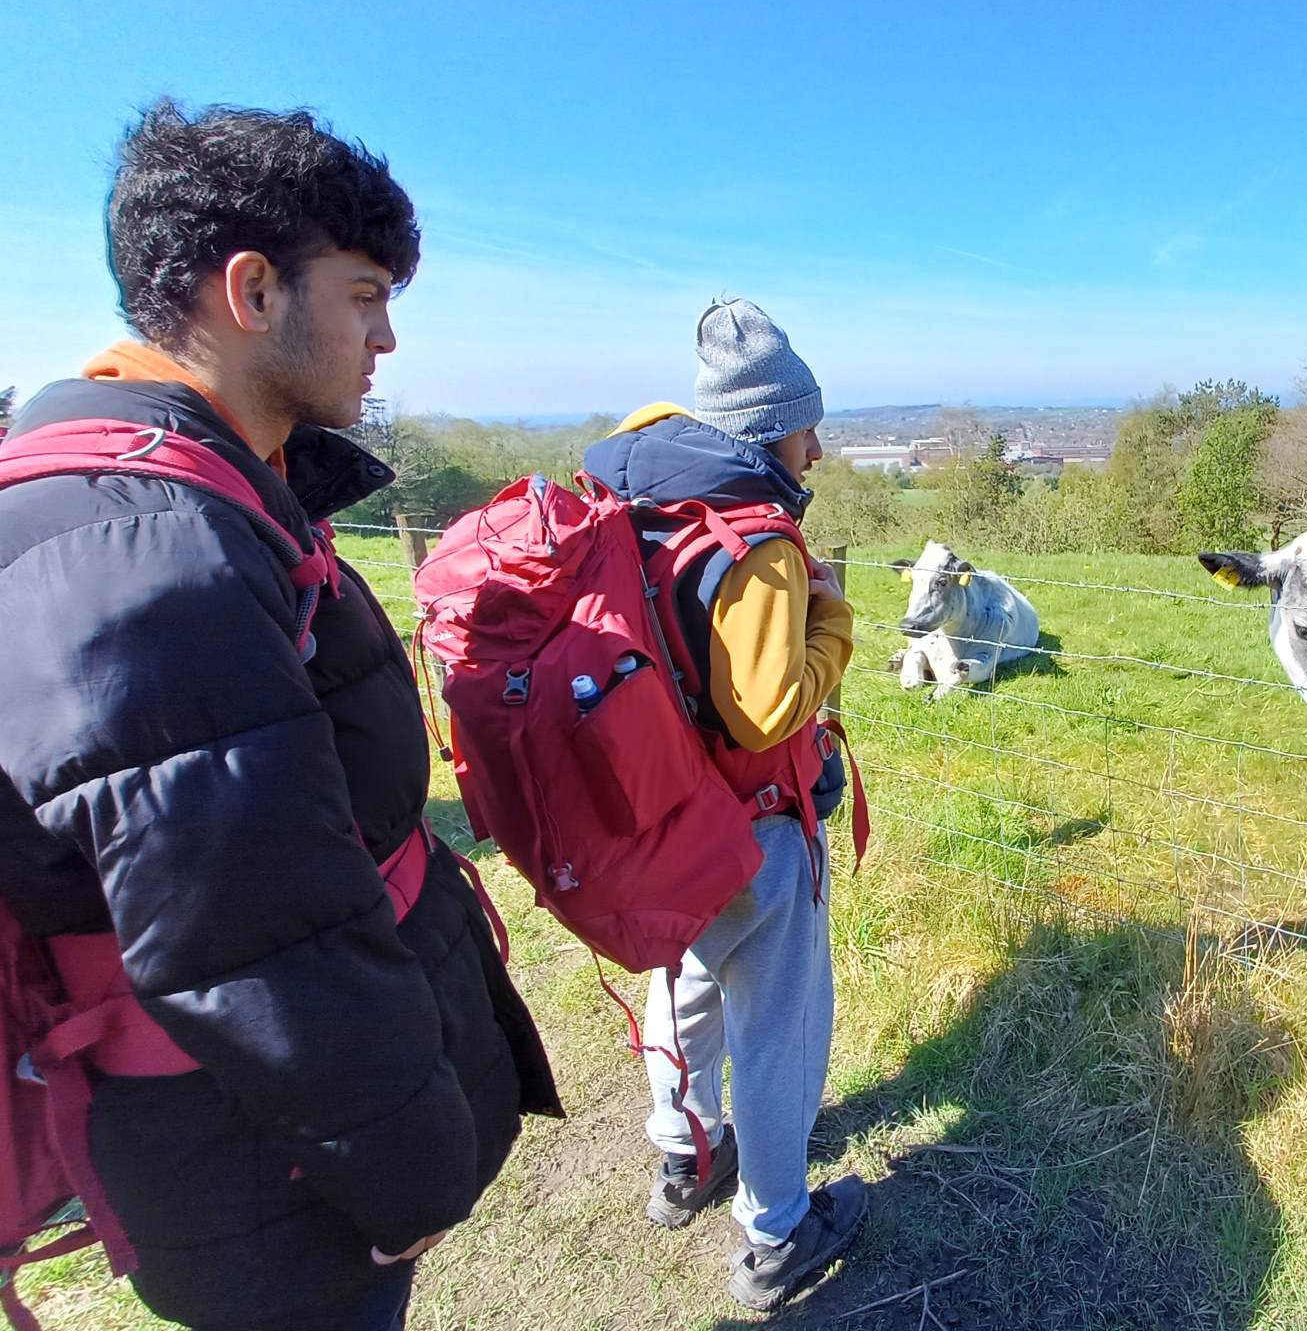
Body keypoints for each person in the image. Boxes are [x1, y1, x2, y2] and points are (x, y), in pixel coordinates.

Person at [0, 100, 560, 1330]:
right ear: (252, 291)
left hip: (262, 1148)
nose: (388, 335)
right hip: (273, 1181)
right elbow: (254, 936)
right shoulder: (147, 554)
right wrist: (407, 1173)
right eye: (364, 295)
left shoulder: (193, 494)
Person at [583, 298, 865, 1311]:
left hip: (655, 807)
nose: (815, 451)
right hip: (751, 824)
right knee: (777, 1028)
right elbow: (766, 712)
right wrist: (832, 623)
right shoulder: (760, 539)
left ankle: (684, 1155)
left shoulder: (638, 500)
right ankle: (778, 1232)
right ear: (768, 429)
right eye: (805, 429)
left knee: (687, 982)